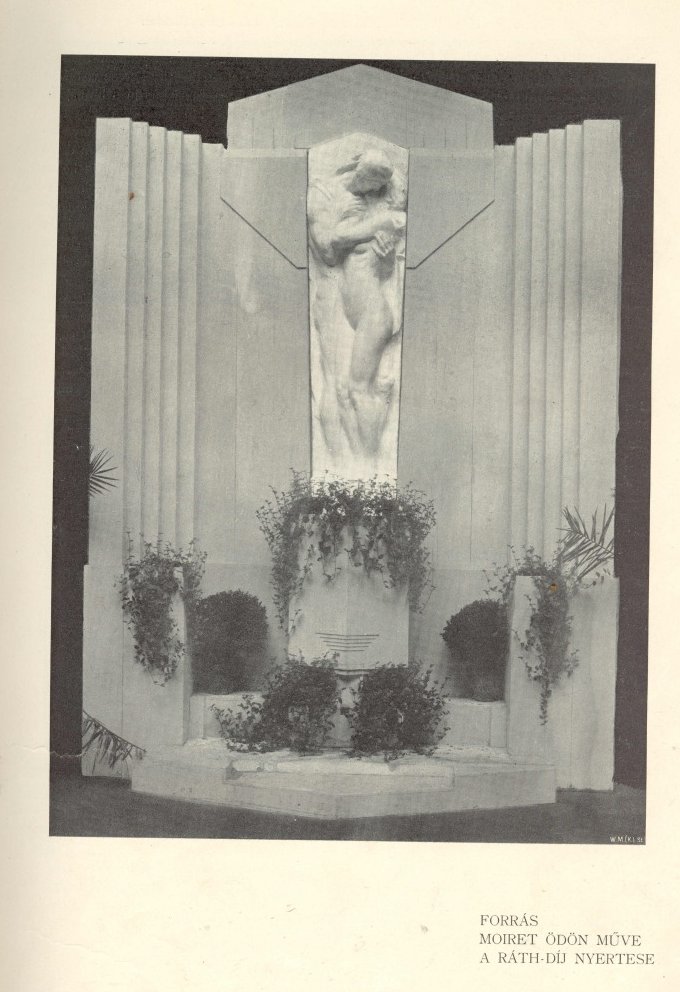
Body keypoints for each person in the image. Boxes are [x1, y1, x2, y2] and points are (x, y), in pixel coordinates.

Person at [308, 148, 407, 468]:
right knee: (341, 390)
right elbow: (327, 248)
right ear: (358, 171)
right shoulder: (326, 193)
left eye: (379, 189)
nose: (373, 192)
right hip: (341, 298)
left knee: (358, 389)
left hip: (371, 311)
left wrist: (384, 243)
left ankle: (370, 466)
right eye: (371, 184)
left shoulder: (385, 219)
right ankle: (350, 471)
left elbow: (349, 243)